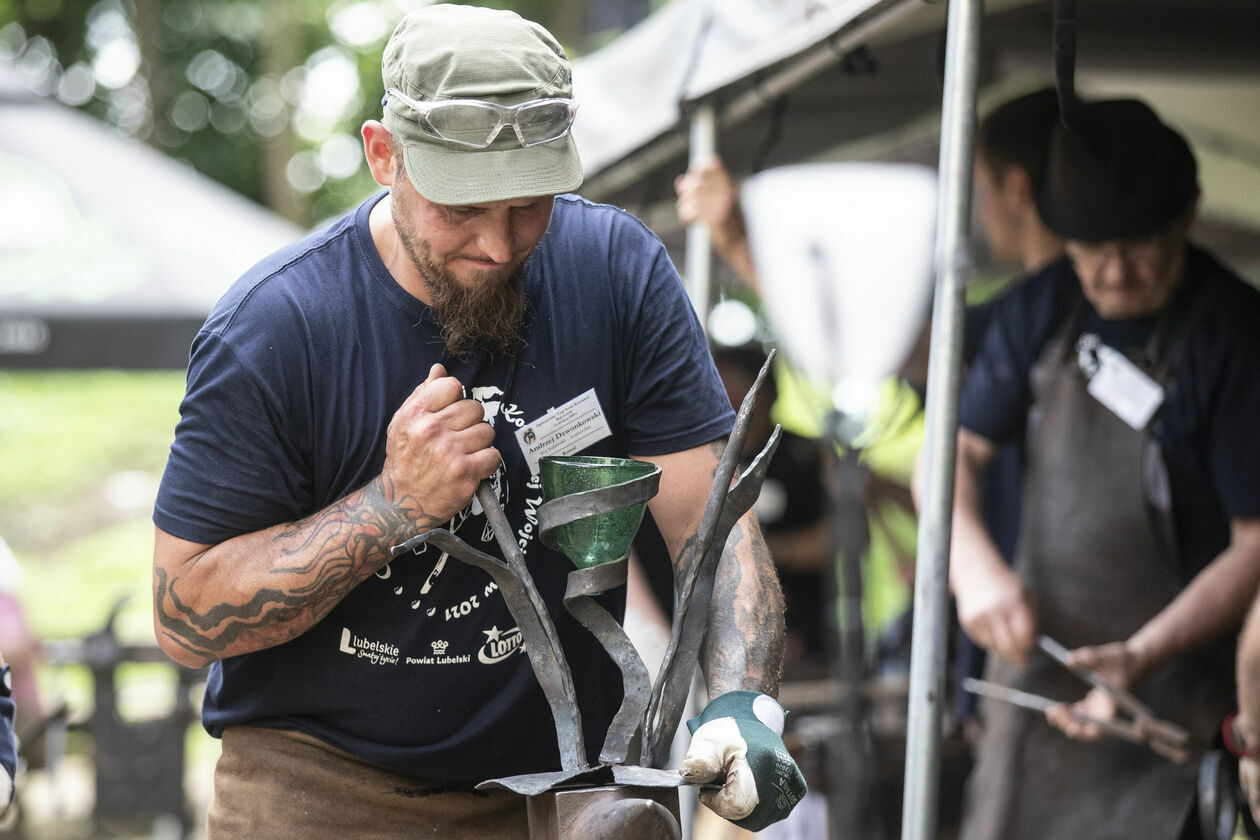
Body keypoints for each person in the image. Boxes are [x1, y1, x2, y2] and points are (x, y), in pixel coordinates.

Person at [149, 6, 803, 839]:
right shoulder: (278, 328)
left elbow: (709, 526)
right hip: (321, 796)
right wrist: (391, 507)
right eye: (463, 206)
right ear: (384, 155)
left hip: (560, 794)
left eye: (529, 204)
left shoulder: (617, 275)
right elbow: (181, 616)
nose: (499, 243)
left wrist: (745, 701)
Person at [948, 97, 1260, 840]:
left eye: (1140, 245)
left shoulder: (1236, 335)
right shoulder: (1043, 309)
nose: (1116, 273)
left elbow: (1257, 541)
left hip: (1174, 699)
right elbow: (955, 455)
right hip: (1038, 683)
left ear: (1188, 214)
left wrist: (1143, 655)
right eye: (1092, 249)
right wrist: (972, 563)